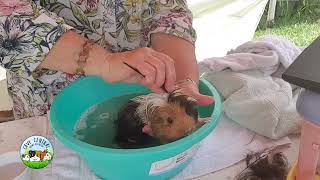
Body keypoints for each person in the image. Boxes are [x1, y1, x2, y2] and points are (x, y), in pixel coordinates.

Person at [0, 0, 214, 120]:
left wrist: (182, 83)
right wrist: (104, 62)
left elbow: (169, 10)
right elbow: (5, 17)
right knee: (44, 167)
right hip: (46, 102)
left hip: (140, 85)